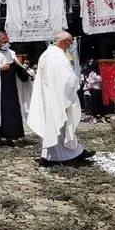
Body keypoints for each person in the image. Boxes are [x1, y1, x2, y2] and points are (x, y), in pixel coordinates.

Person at [28, 31, 95, 167]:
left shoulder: (46, 55)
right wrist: (76, 82)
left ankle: (72, 152)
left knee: (53, 126)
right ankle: (57, 157)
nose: (70, 46)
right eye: (70, 42)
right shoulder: (57, 56)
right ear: (64, 42)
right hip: (57, 98)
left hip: (49, 96)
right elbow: (66, 79)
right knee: (61, 126)